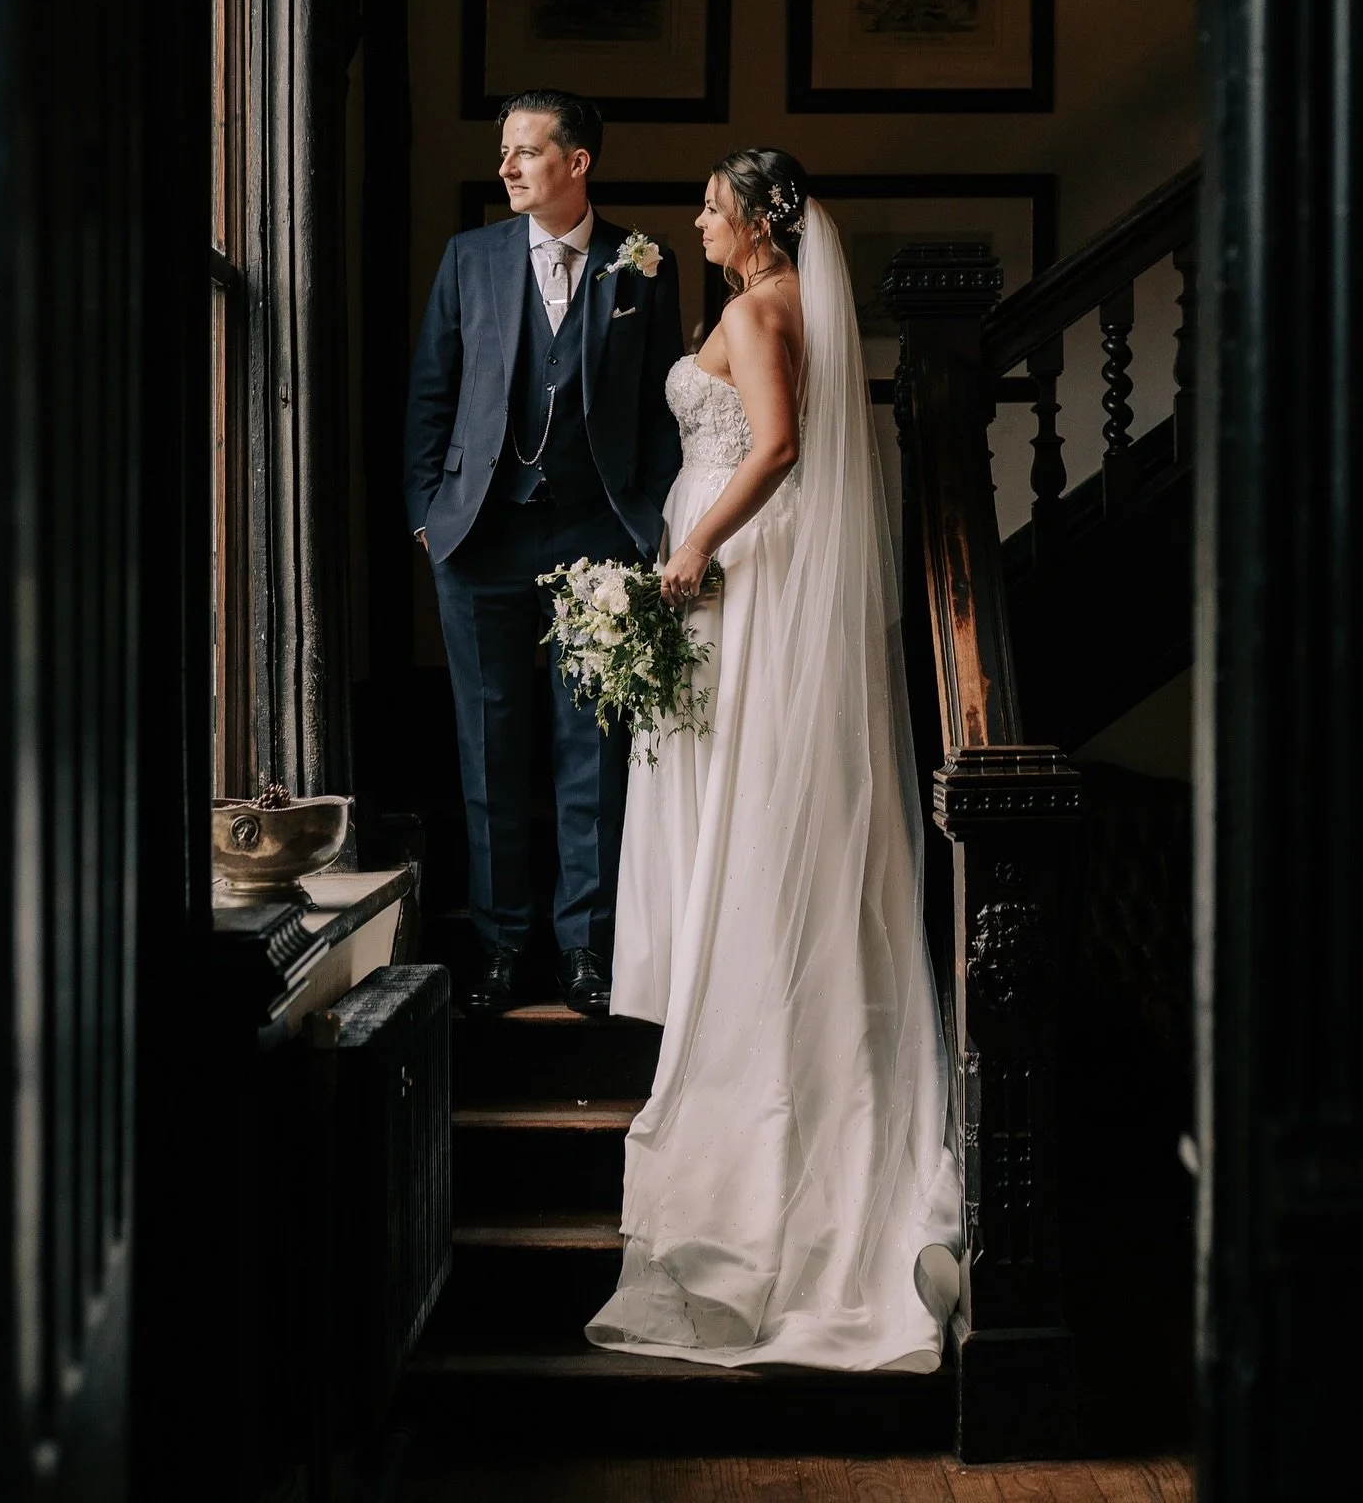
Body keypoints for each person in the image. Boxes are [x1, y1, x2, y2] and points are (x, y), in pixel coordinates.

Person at [586, 150, 961, 1371]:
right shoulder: (797, 301)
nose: (694, 218)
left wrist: (694, 544)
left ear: (752, 218)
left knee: (743, 798)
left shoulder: (754, 309)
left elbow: (783, 445)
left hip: (743, 568)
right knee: (768, 802)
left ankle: (739, 1030)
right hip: (766, 567)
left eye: (708, 203)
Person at [403, 89, 683, 1016]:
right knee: (489, 752)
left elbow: (657, 411)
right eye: (504, 153)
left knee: (588, 755)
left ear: (578, 162)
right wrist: (424, 516)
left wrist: (647, 520)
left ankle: (586, 952)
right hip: (480, 537)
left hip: (597, 538)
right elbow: (431, 396)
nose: (508, 168)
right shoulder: (470, 258)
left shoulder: (644, 264)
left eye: (527, 152)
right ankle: (501, 947)